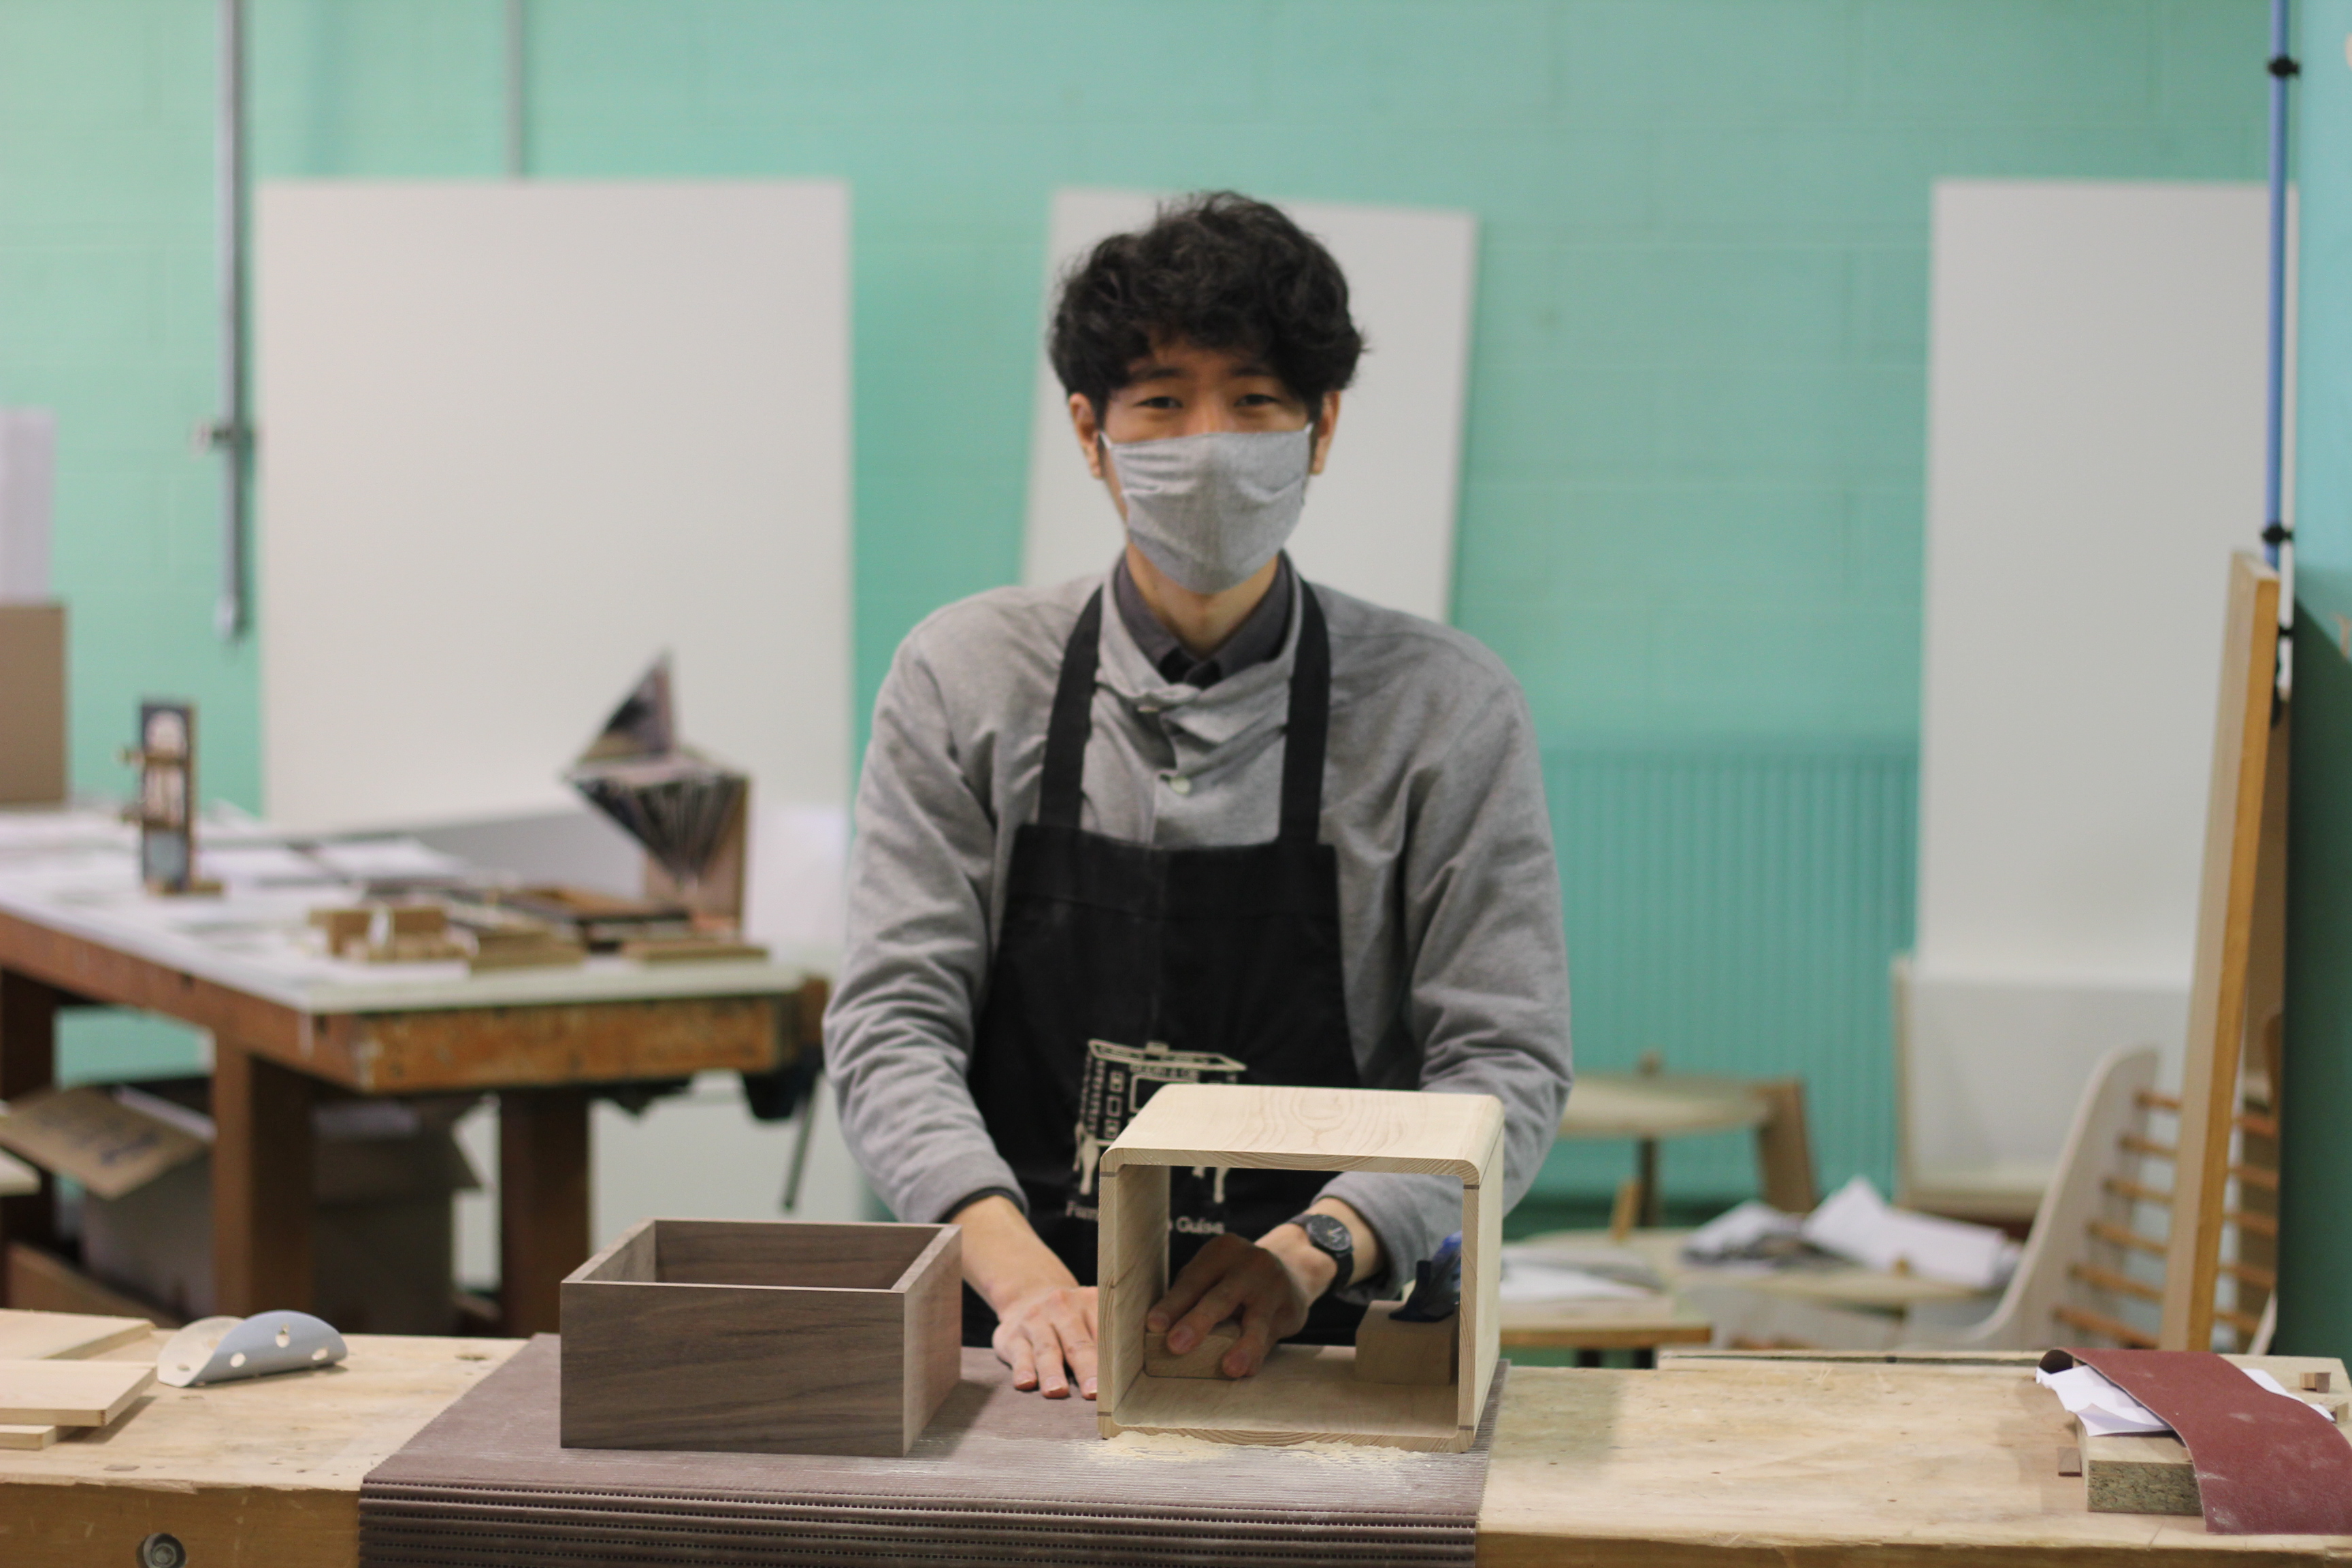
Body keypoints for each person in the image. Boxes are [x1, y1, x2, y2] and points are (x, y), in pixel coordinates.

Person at [827, 191, 1571, 1399]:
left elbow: (1504, 1060)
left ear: (1323, 427)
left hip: (1331, 1334)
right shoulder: (965, 678)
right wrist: (1019, 1278)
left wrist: (1315, 1250)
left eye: (1257, 402)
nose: (1211, 443)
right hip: (1013, 1344)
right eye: (1164, 403)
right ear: (1090, 429)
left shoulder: (1447, 708)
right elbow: (891, 1023)